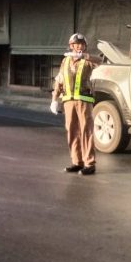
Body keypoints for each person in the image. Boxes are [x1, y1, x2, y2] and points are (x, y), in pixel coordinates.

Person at [51, 33, 97, 176]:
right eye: (76, 44)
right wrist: (54, 99)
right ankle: (77, 162)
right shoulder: (65, 61)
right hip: (68, 102)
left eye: (82, 44)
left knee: (86, 131)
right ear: (71, 46)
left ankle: (89, 164)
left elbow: (100, 61)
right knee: (72, 131)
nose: (79, 47)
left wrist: (86, 56)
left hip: (84, 101)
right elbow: (59, 80)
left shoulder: (87, 61)